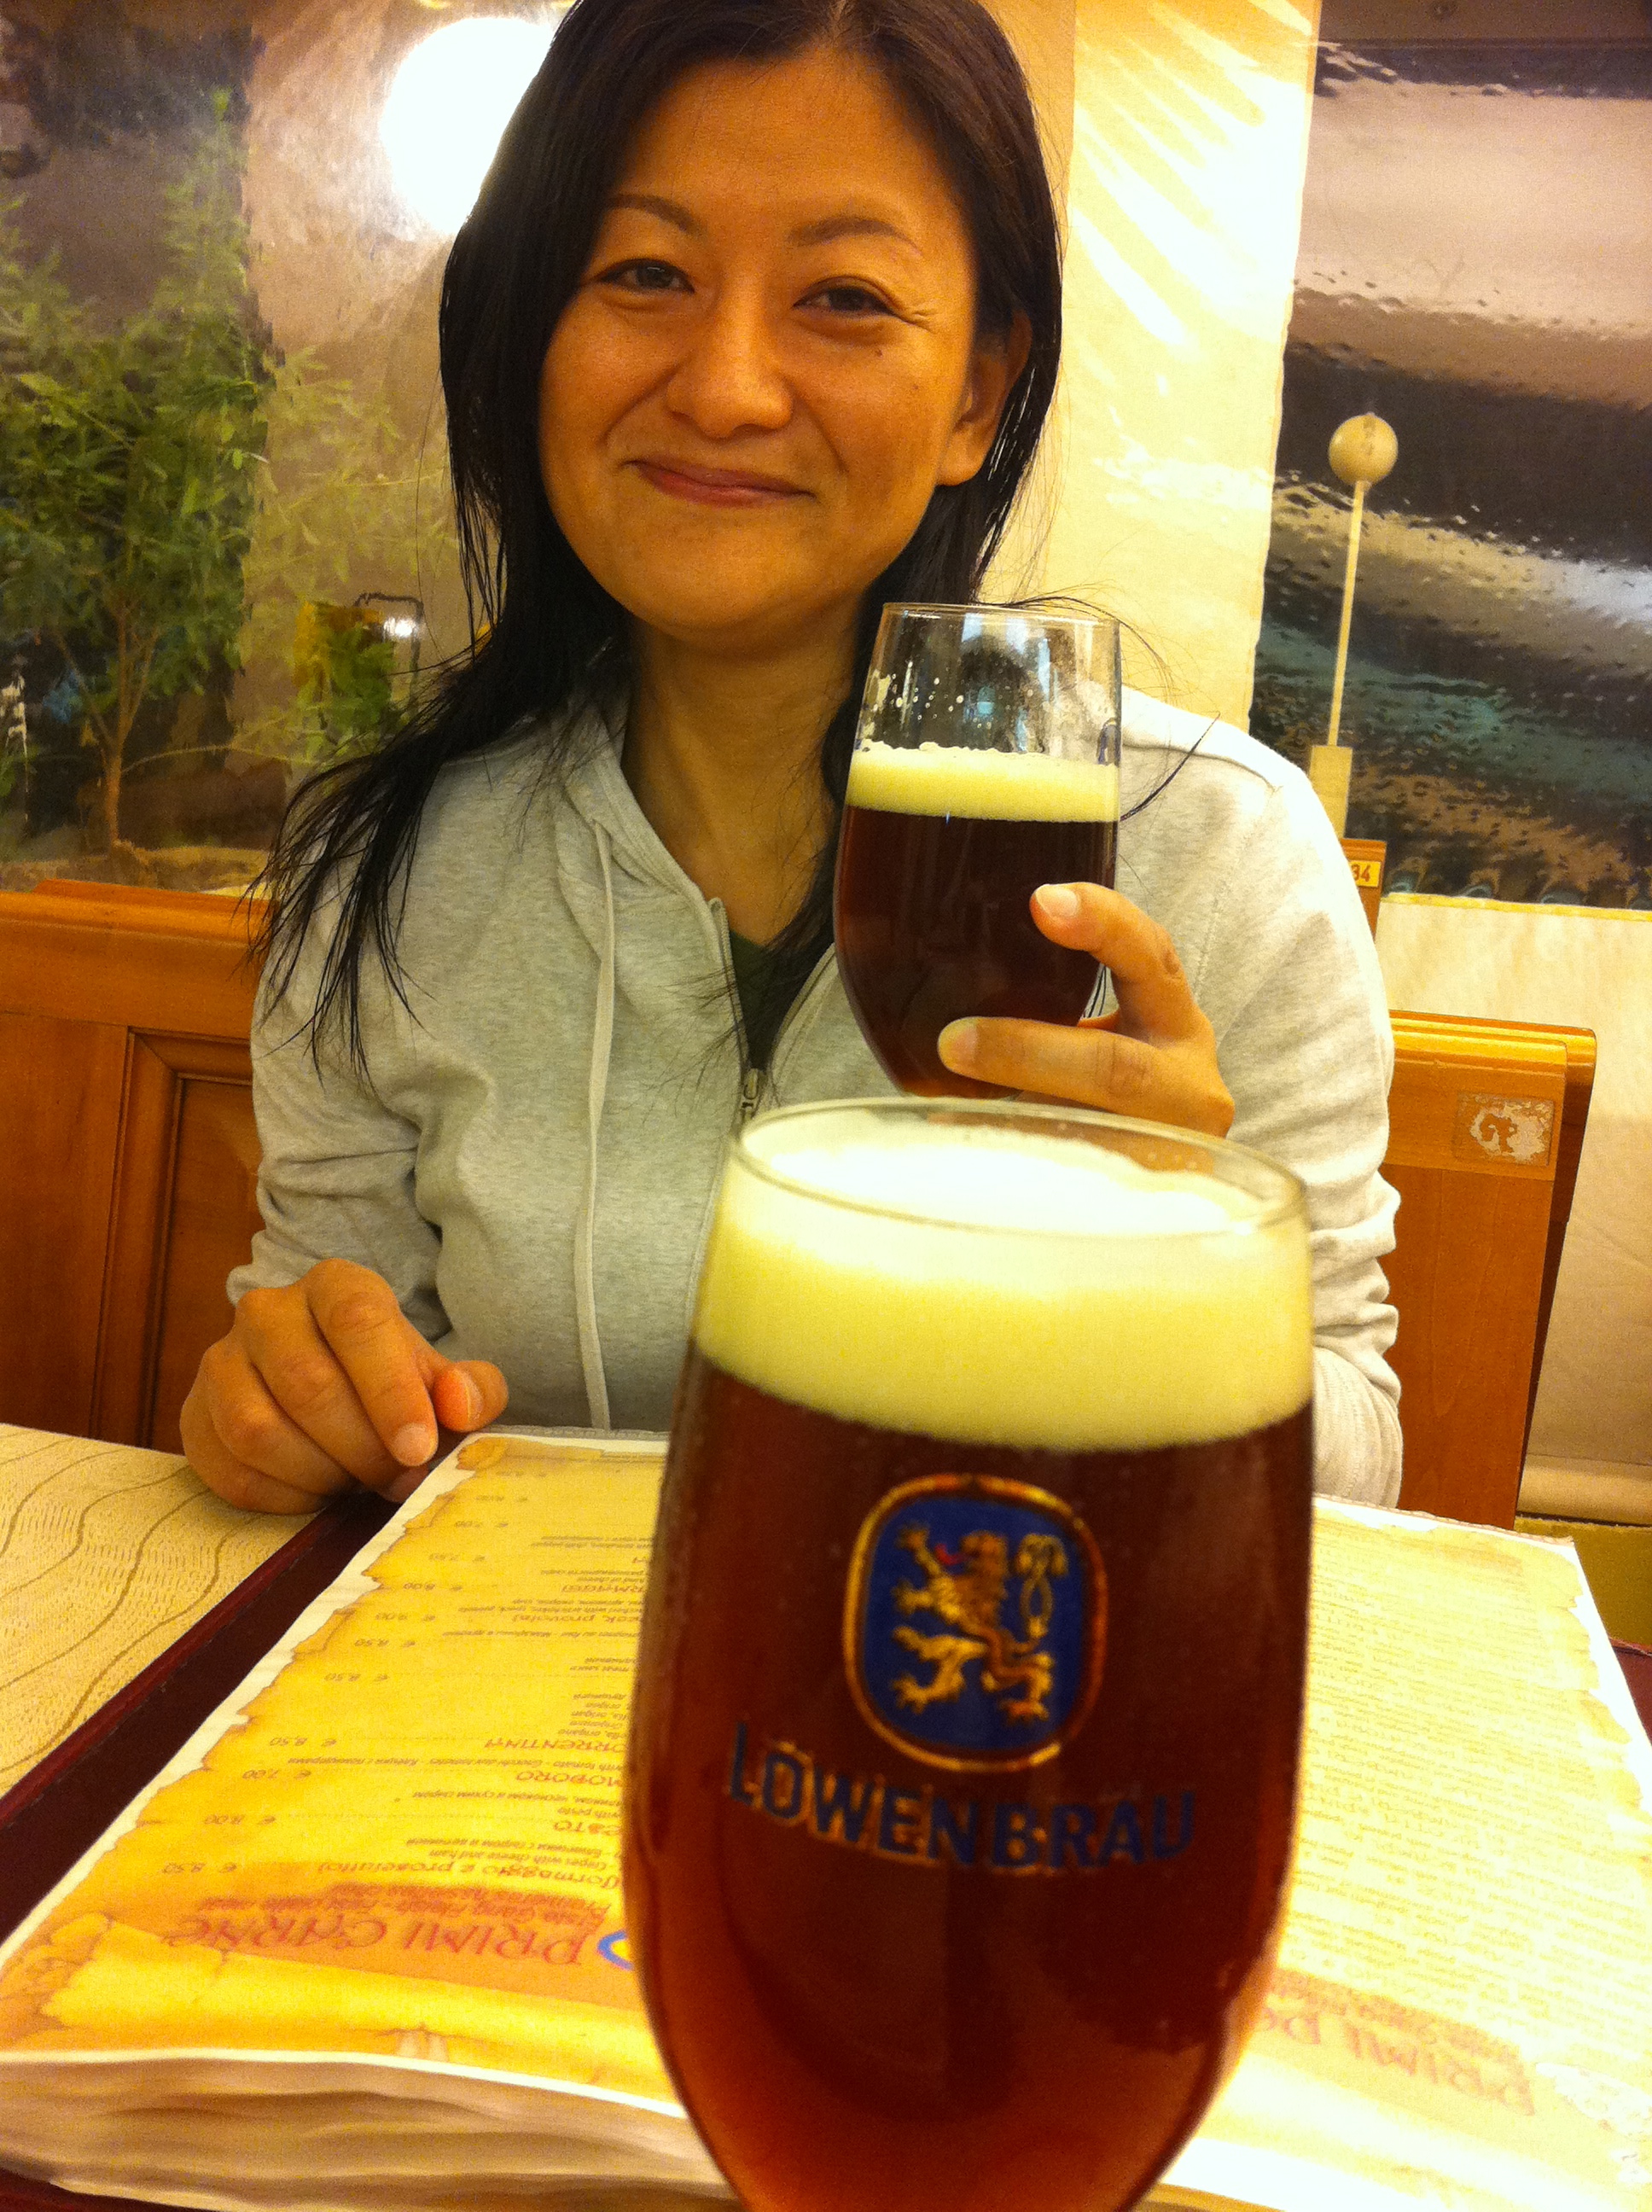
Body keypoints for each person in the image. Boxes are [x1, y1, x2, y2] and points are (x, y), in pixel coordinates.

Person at [182, 0, 1400, 1515]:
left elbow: (1356, 1471)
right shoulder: (387, 866)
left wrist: (1176, 1276)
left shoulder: (1223, 851)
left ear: (977, 395)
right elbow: (328, 1339)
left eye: (843, 297)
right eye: (644, 273)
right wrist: (286, 1399)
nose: (727, 387)